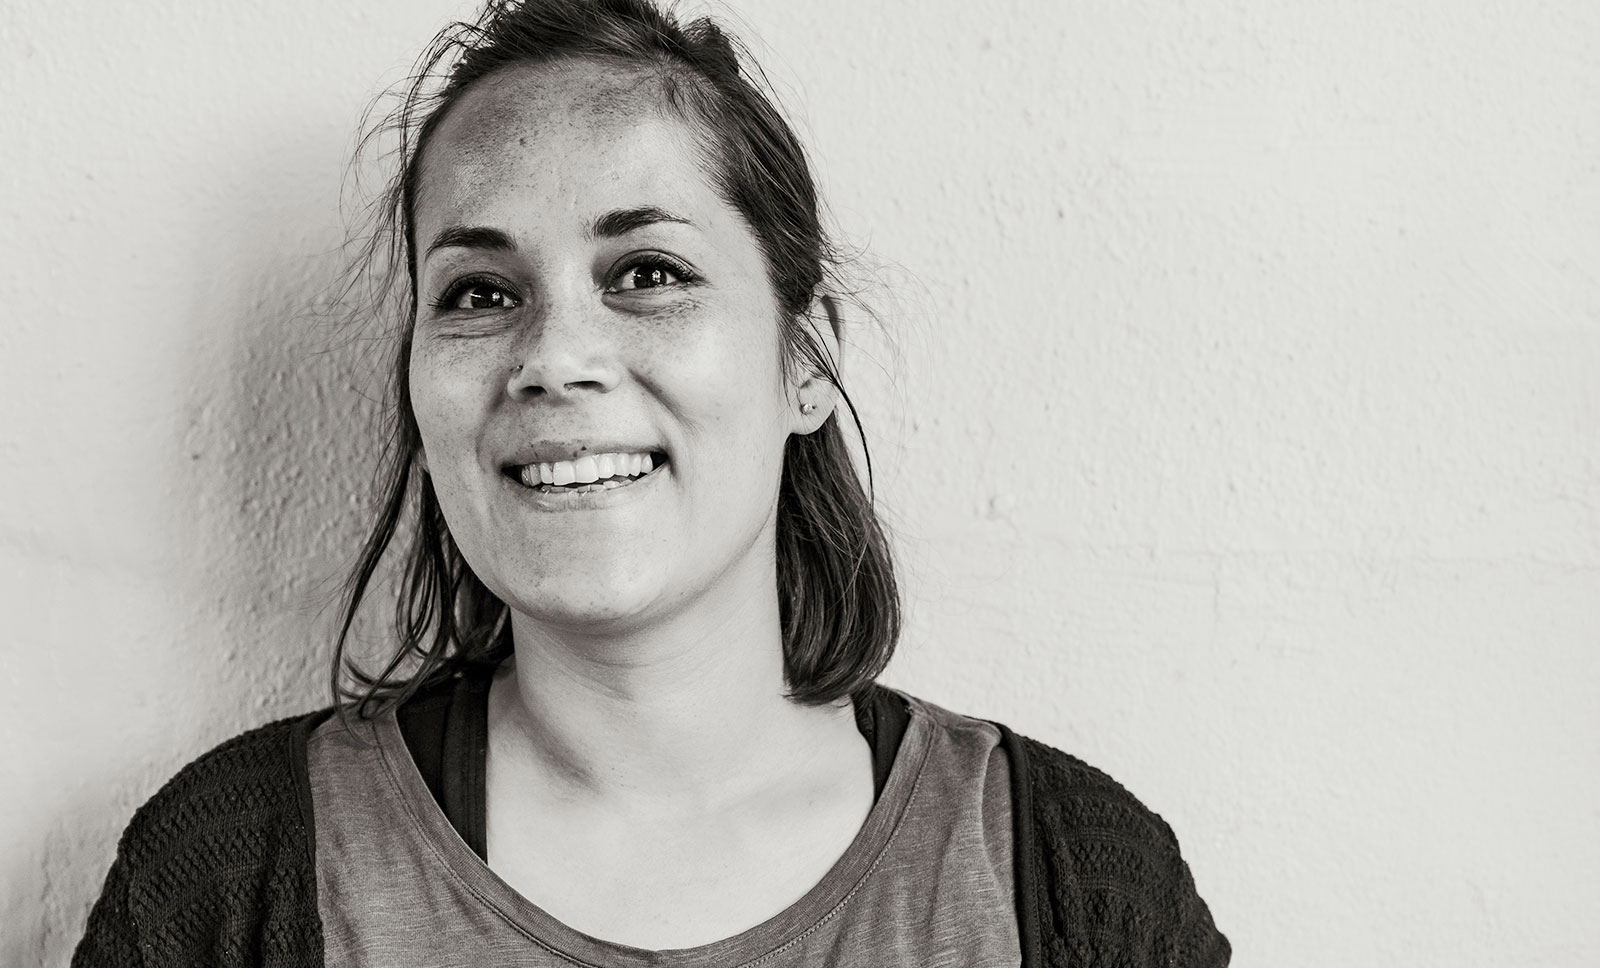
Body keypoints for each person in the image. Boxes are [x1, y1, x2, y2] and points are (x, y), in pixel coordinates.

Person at [72, 0, 1229, 965]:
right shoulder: (230, 875)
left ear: (806, 359)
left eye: (647, 271)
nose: (554, 357)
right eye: (480, 292)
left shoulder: (1076, 883)